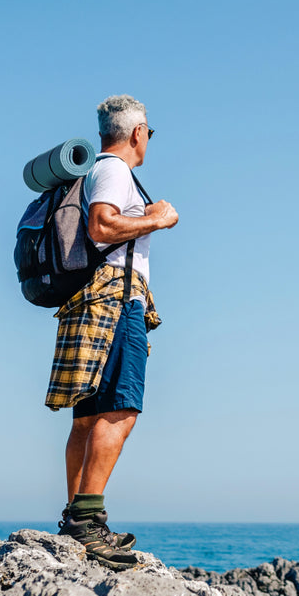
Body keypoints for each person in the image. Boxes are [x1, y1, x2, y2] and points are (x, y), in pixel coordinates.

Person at [45, 95, 178, 570]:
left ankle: (79, 519)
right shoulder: (116, 172)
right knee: (121, 407)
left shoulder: (95, 171)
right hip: (115, 301)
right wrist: (156, 219)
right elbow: (102, 227)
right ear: (138, 133)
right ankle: (87, 518)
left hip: (91, 300)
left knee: (89, 416)